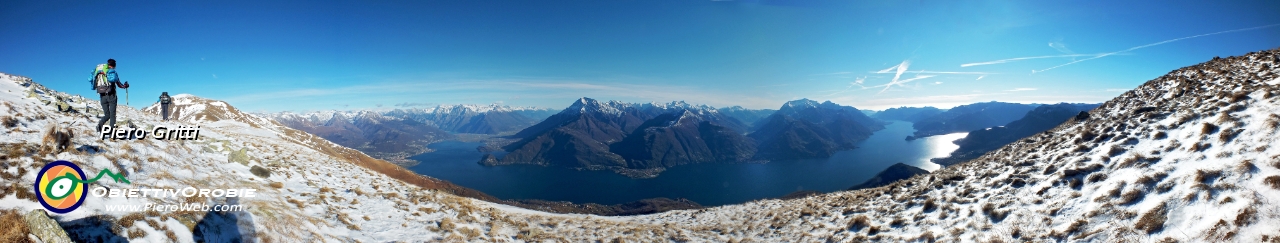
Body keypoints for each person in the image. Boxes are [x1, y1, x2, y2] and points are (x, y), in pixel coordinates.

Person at [89, 59, 129, 130]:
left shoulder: (98, 72)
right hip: (111, 95)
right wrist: (125, 86)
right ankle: (112, 133)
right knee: (112, 115)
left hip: (102, 95)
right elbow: (119, 85)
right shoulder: (112, 72)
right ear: (114, 65)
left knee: (107, 115)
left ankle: (99, 125)